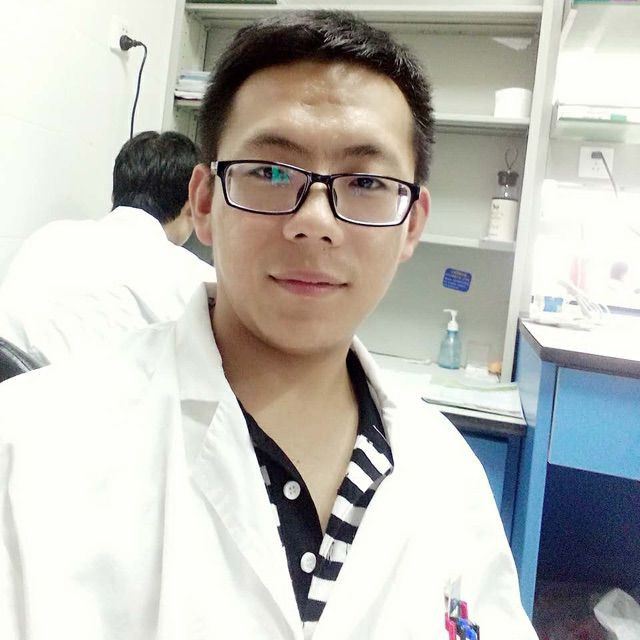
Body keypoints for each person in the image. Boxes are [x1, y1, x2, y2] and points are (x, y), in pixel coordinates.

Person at [0, 11, 537, 640]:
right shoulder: (29, 445)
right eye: (271, 172)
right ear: (204, 202)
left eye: (366, 181)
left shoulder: (448, 474)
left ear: (411, 224)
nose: (315, 222)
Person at [0, 130, 216, 364]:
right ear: (192, 205)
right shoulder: (196, 280)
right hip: (78, 387)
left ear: (115, 192)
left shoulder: (47, 237)